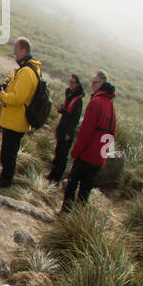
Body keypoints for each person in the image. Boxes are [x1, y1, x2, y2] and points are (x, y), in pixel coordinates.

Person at [0, 37, 42, 189]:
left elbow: (18, 98)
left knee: (8, 154)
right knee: (8, 152)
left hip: (16, 121)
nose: (14, 51)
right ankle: (4, 179)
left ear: (24, 50)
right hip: (14, 119)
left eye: (16, 49)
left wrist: (3, 95)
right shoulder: (26, 69)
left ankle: (5, 182)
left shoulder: (27, 72)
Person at [62, 71, 117, 209]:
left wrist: (75, 152)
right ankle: (78, 219)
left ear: (101, 84)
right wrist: (103, 157)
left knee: (72, 184)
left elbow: (85, 132)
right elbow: (112, 134)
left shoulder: (96, 102)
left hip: (86, 155)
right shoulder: (111, 105)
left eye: (94, 82)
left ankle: (65, 213)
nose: (92, 85)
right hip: (98, 159)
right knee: (85, 190)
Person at [47, 75, 85, 183]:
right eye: (70, 81)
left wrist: (69, 132)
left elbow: (75, 119)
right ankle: (52, 174)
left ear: (77, 84)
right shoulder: (69, 94)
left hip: (68, 131)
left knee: (63, 155)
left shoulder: (78, 100)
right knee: (58, 151)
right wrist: (61, 110)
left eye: (72, 82)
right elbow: (67, 111)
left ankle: (57, 178)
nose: (70, 84)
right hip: (62, 126)